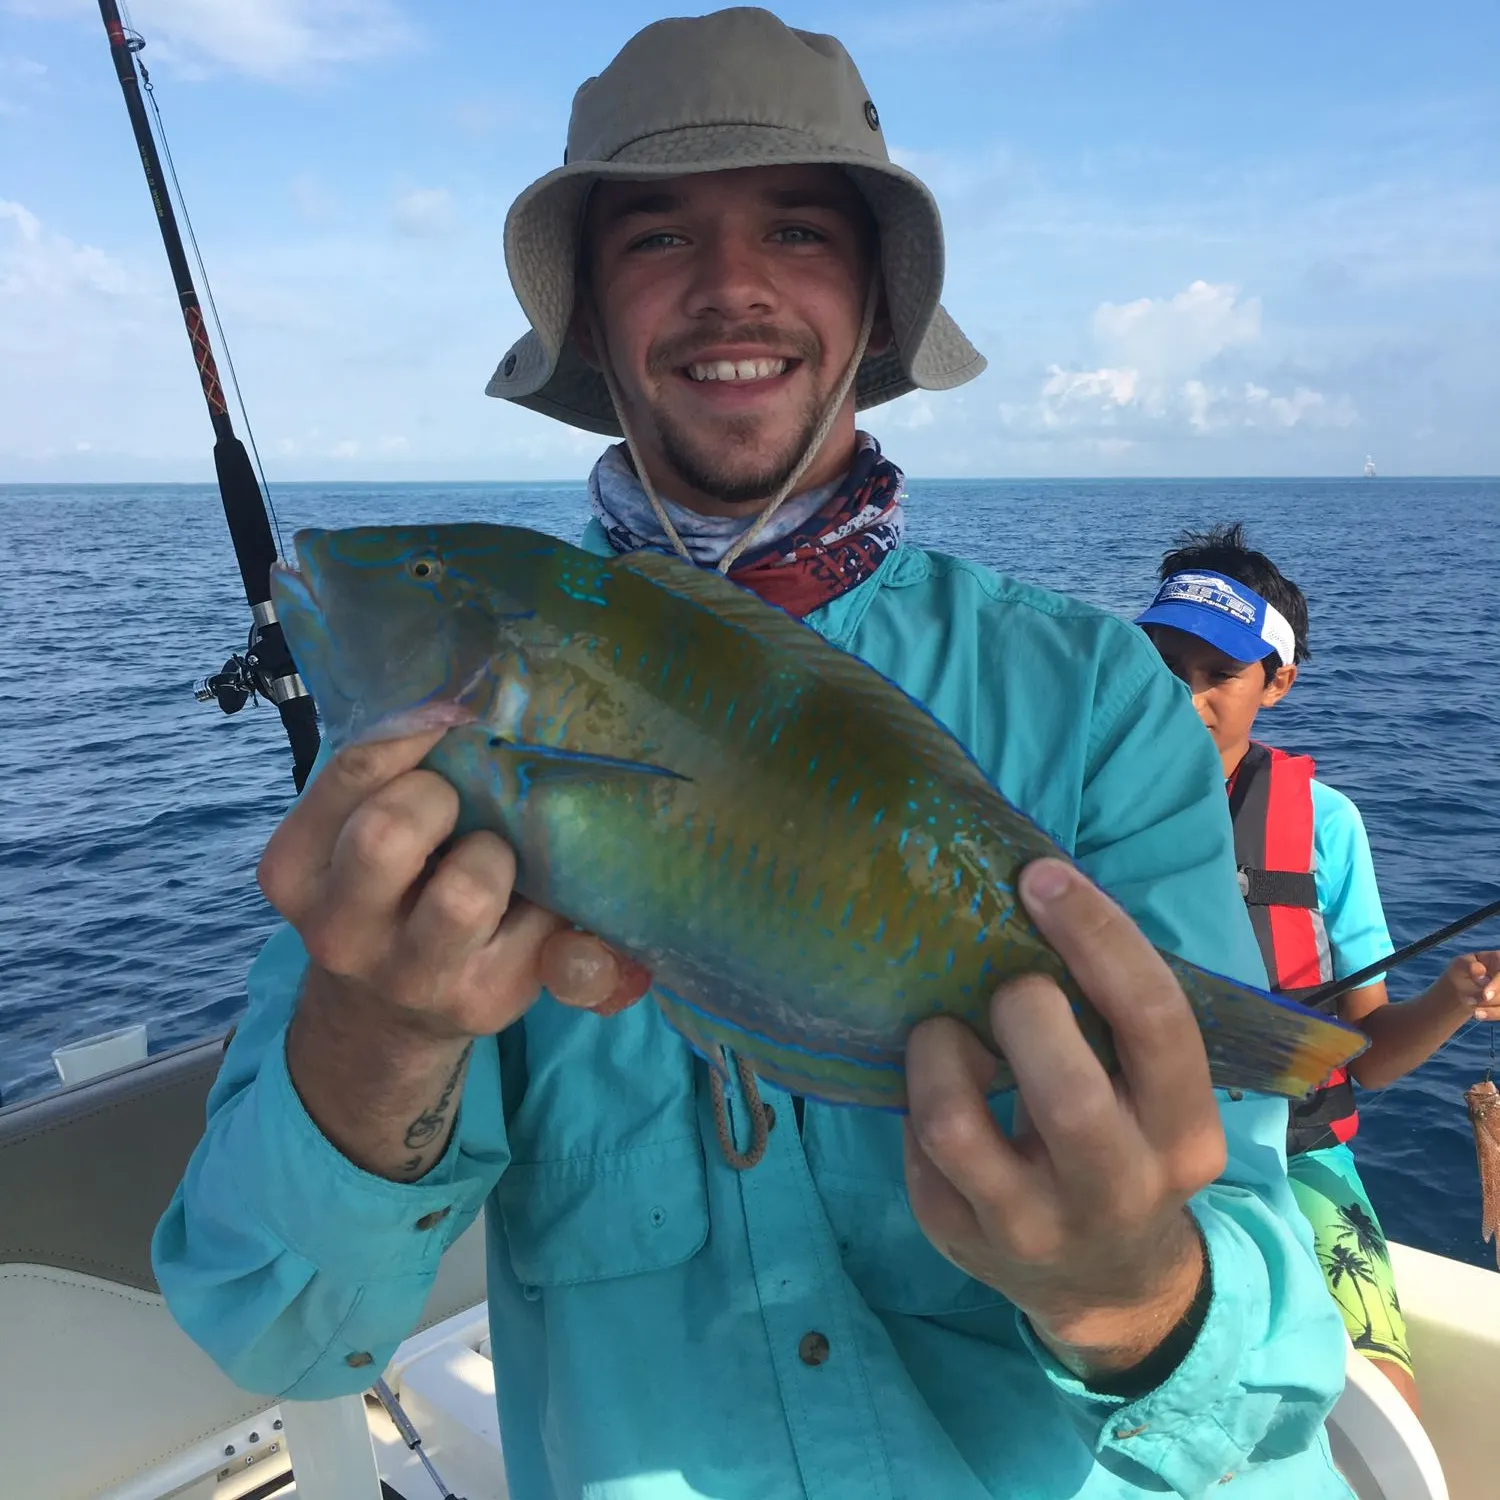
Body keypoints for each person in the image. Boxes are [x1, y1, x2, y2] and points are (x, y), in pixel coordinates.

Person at [153, 13, 1357, 1498]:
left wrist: (1131, 1296)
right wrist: (375, 1030)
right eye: (657, 237)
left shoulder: (1092, 693)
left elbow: (1275, 1368)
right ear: (593, 317)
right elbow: (270, 1321)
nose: (732, 286)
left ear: (872, 304)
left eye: (797, 227)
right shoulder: (410, 787)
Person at [1137, 521, 1500, 1414]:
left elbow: (1369, 1055)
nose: (1185, 699)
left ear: (1278, 681)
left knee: (1384, 1399)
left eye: (1217, 675)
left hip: (1295, 1158)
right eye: (1161, 666)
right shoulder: (1077, 801)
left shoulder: (1325, 826)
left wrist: (1454, 997)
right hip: (1124, 1152)